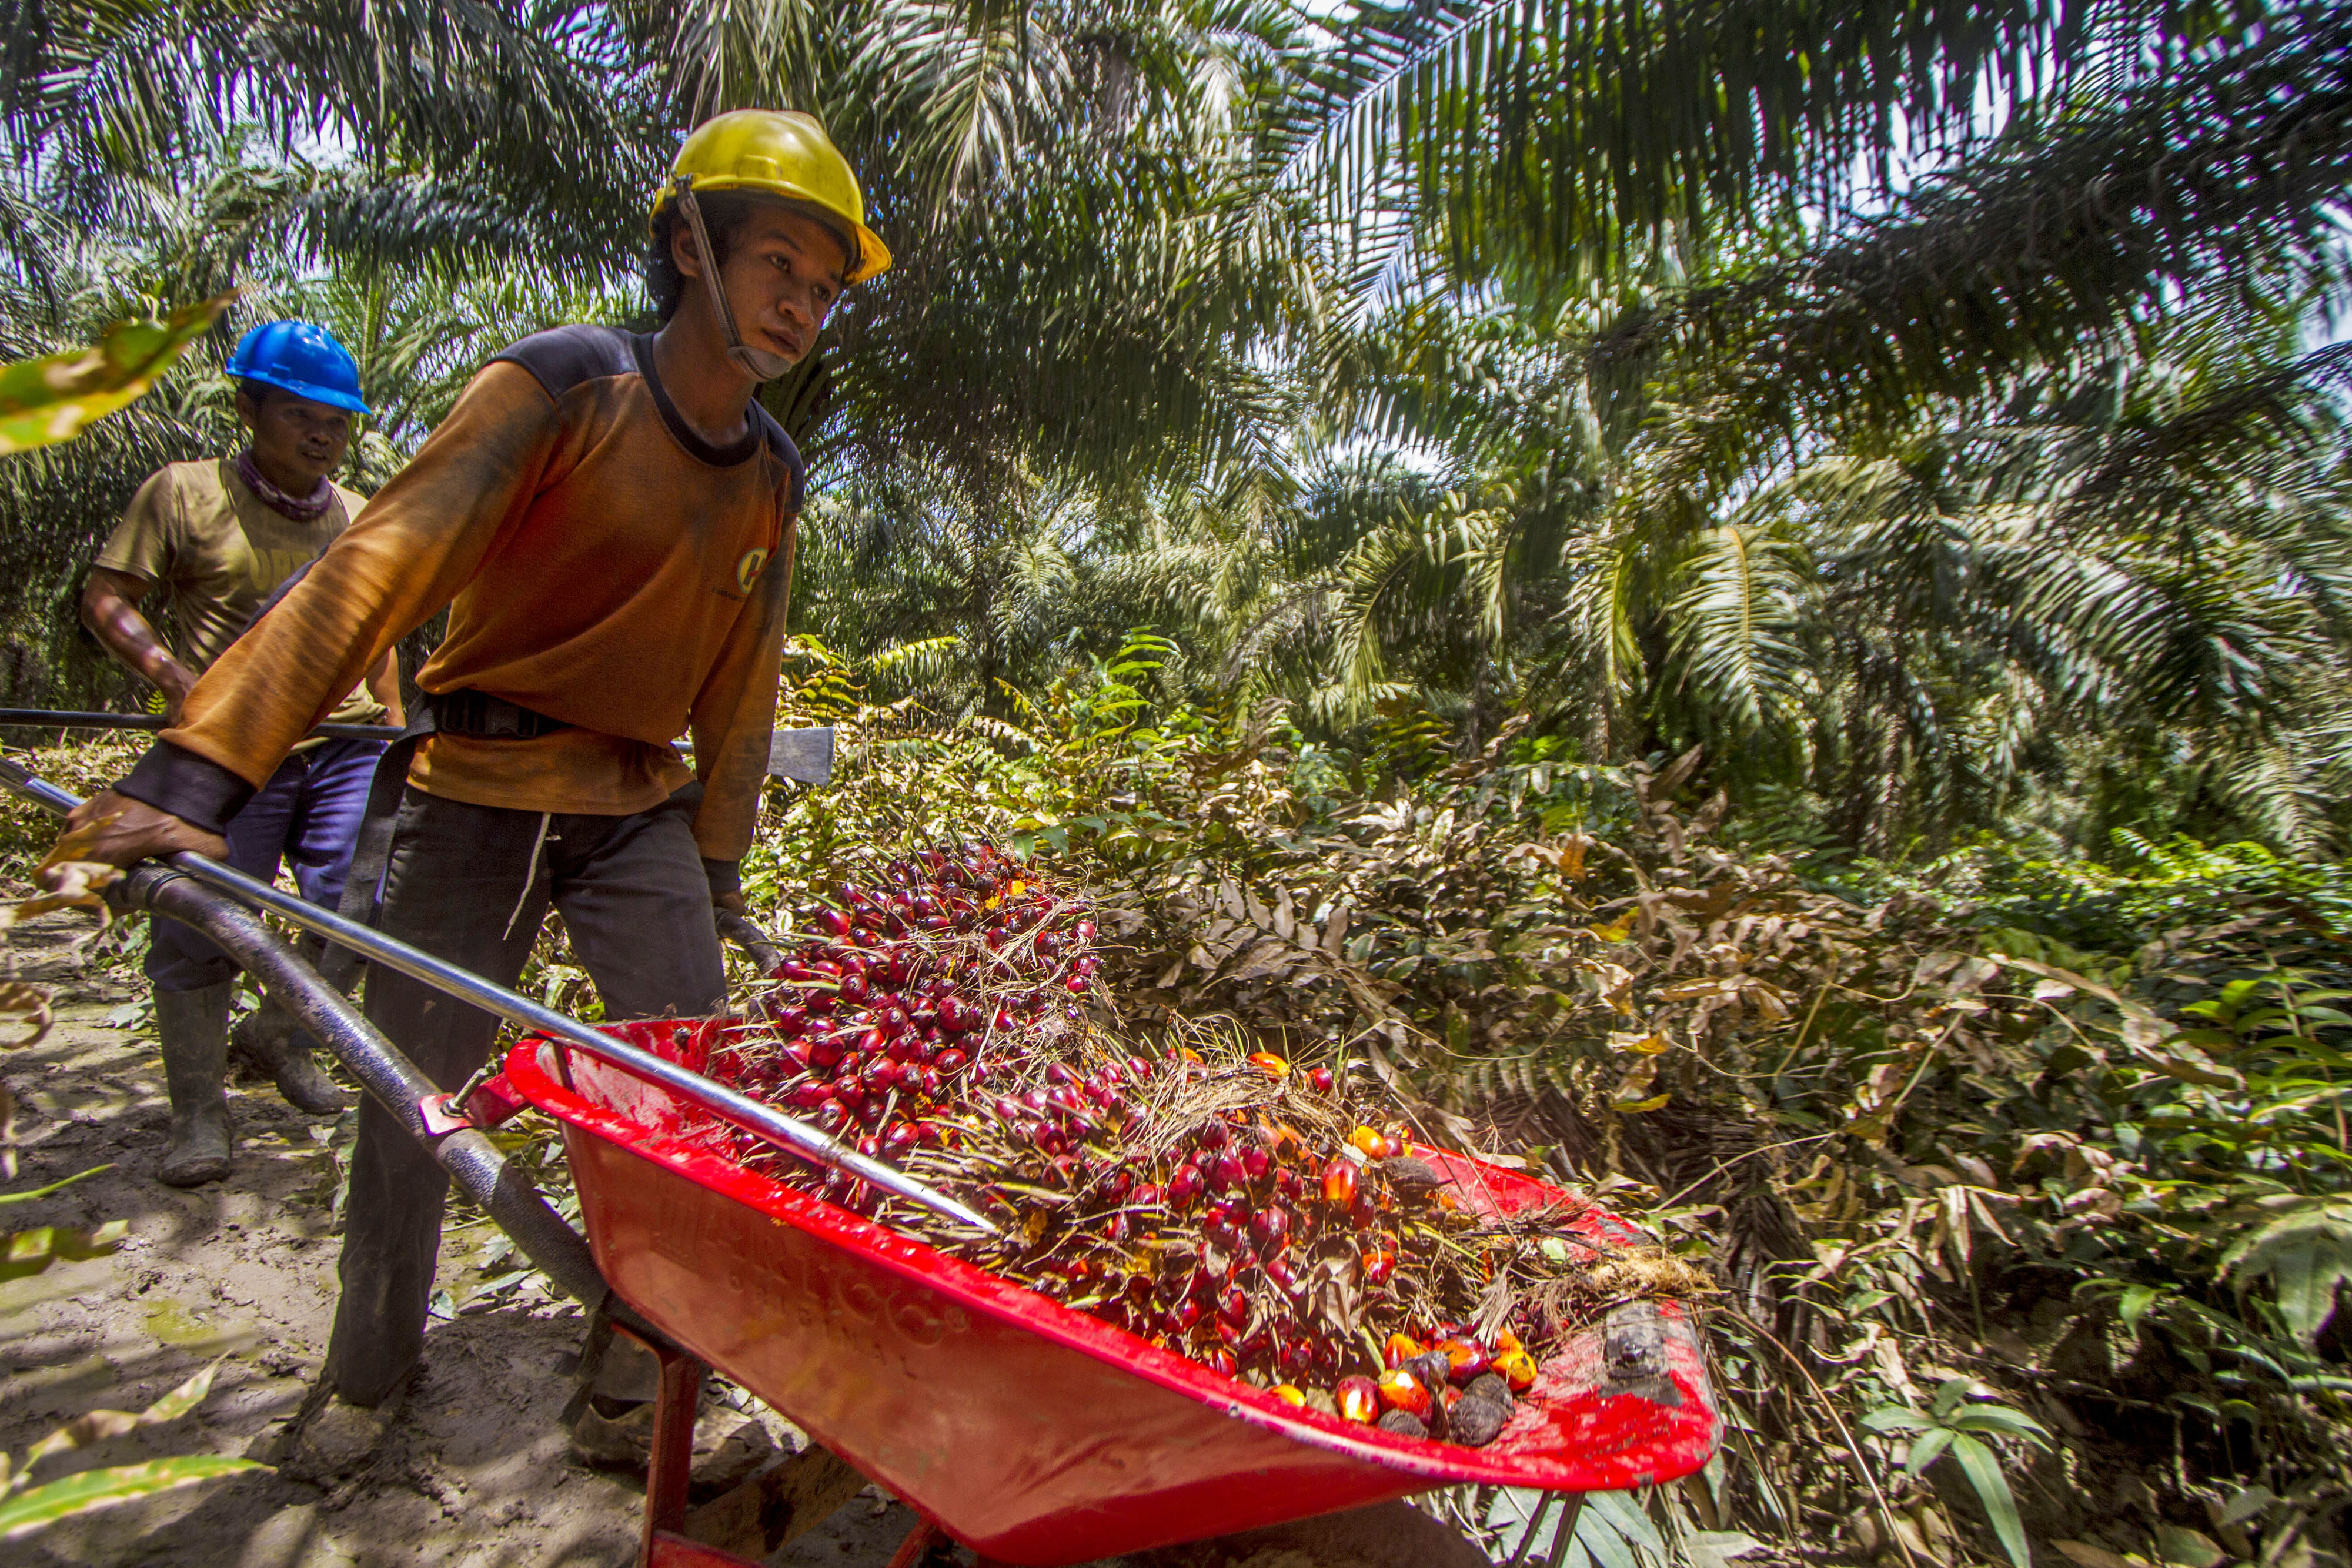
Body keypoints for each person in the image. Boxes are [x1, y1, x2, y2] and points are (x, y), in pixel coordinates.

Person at [52, 109, 890, 1445]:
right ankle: (368, 1372)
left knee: (691, 1093)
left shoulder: (773, 475)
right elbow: (376, 567)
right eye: (777, 263)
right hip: (477, 785)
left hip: (636, 810)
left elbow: (744, 679)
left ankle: (634, 1373)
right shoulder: (564, 385)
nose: (800, 303)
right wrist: (197, 771)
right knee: (414, 1096)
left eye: (825, 285)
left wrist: (718, 861)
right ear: (688, 244)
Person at [82, 320, 402, 1186]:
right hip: (234, 747)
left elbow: (379, 633)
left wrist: (398, 728)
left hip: (346, 746)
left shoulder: (358, 515)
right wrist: (171, 675)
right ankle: (198, 1114)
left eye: (338, 423)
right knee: (201, 920)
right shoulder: (183, 494)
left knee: (359, 910)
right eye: (302, 415)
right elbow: (107, 596)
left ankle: (283, 1035)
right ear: (249, 407)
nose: (323, 437)